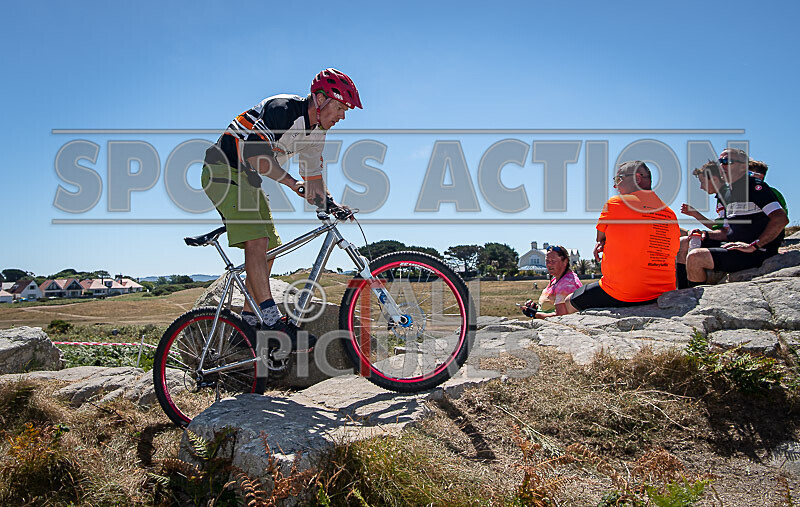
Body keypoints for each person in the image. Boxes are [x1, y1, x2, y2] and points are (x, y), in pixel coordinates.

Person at [201, 68, 362, 350]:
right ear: (320, 98)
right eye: (340, 107)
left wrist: (332, 205)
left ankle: (248, 328)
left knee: (271, 248)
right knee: (257, 241)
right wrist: (291, 183)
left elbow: (313, 182)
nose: (342, 116)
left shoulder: (317, 133)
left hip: (247, 179)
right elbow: (255, 154)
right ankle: (273, 320)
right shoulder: (283, 109)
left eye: (346, 110)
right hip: (222, 169)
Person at [564, 161, 680, 312]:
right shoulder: (670, 214)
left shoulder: (616, 203)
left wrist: (603, 242)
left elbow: (600, 238)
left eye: (618, 179)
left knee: (568, 302)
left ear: (637, 178)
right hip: (663, 292)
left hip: (624, 293)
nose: (615, 186)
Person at [676, 148, 789, 288]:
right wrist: (704, 234)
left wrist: (755, 245)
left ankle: (692, 298)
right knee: (683, 243)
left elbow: (780, 219)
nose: (722, 166)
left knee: (696, 257)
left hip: (756, 251)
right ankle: (682, 294)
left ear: (743, 166)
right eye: (720, 162)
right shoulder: (729, 194)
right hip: (735, 246)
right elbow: (726, 231)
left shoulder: (754, 187)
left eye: (727, 162)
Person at [521, 245, 582, 318]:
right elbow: (550, 306)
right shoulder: (556, 278)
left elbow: (560, 316)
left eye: (553, 261)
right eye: (547, 261)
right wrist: (535, 308)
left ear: (565, 261)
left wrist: (534, 314)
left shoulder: (567, 284)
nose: (549, 264)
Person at [680, 161, 728, 231]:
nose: (701, 187)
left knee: (684, 239)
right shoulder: (721, 196)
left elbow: (722, 229)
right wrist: (695, 214)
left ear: (714, 179)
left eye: (703, 182)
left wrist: (696, 214)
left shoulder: (726, 196)